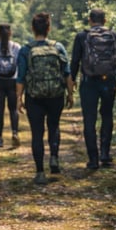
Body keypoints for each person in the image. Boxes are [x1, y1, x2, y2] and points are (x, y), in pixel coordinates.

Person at [16, 13, 73, 185]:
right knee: (54, 126)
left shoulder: (26, 50)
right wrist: (70, 94)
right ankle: (54, 157)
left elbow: (21, 77)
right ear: (49, 28)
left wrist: (19, 98)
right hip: (56, 95)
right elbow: (67, 74)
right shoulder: (58, 47)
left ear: (33, 29)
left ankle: (40, 172)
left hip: (35, 97)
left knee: (37, 133)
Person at [69, 8, 116, 170]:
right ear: (105, 20)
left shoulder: (82, 36)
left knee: (89, 118)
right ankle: (105, 154)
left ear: (90, 20)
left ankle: (93, 159)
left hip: (89, 82)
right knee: (107, 115)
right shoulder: (114, 36)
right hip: (109, 81)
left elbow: (75, 61)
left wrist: (72, 79)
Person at [0, 24, 21, 149]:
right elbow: (20, 64)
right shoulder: (16, 47)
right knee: (13, 109)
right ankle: (15, 133)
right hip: (13, 81)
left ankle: (0, 138)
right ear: (10, 33)